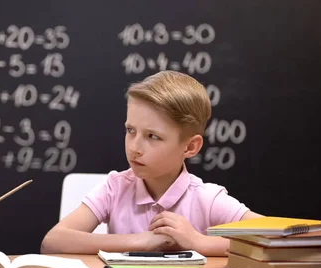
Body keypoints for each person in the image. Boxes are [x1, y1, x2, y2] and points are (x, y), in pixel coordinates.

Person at [41, 71, 262, 256]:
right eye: (130, 131)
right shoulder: (115, 188)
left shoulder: (207, 199)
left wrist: (198, 242)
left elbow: (283, 236)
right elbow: (53, 241)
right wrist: (141, 241)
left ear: (190, 147)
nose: (134, 147)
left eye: (152, 136)